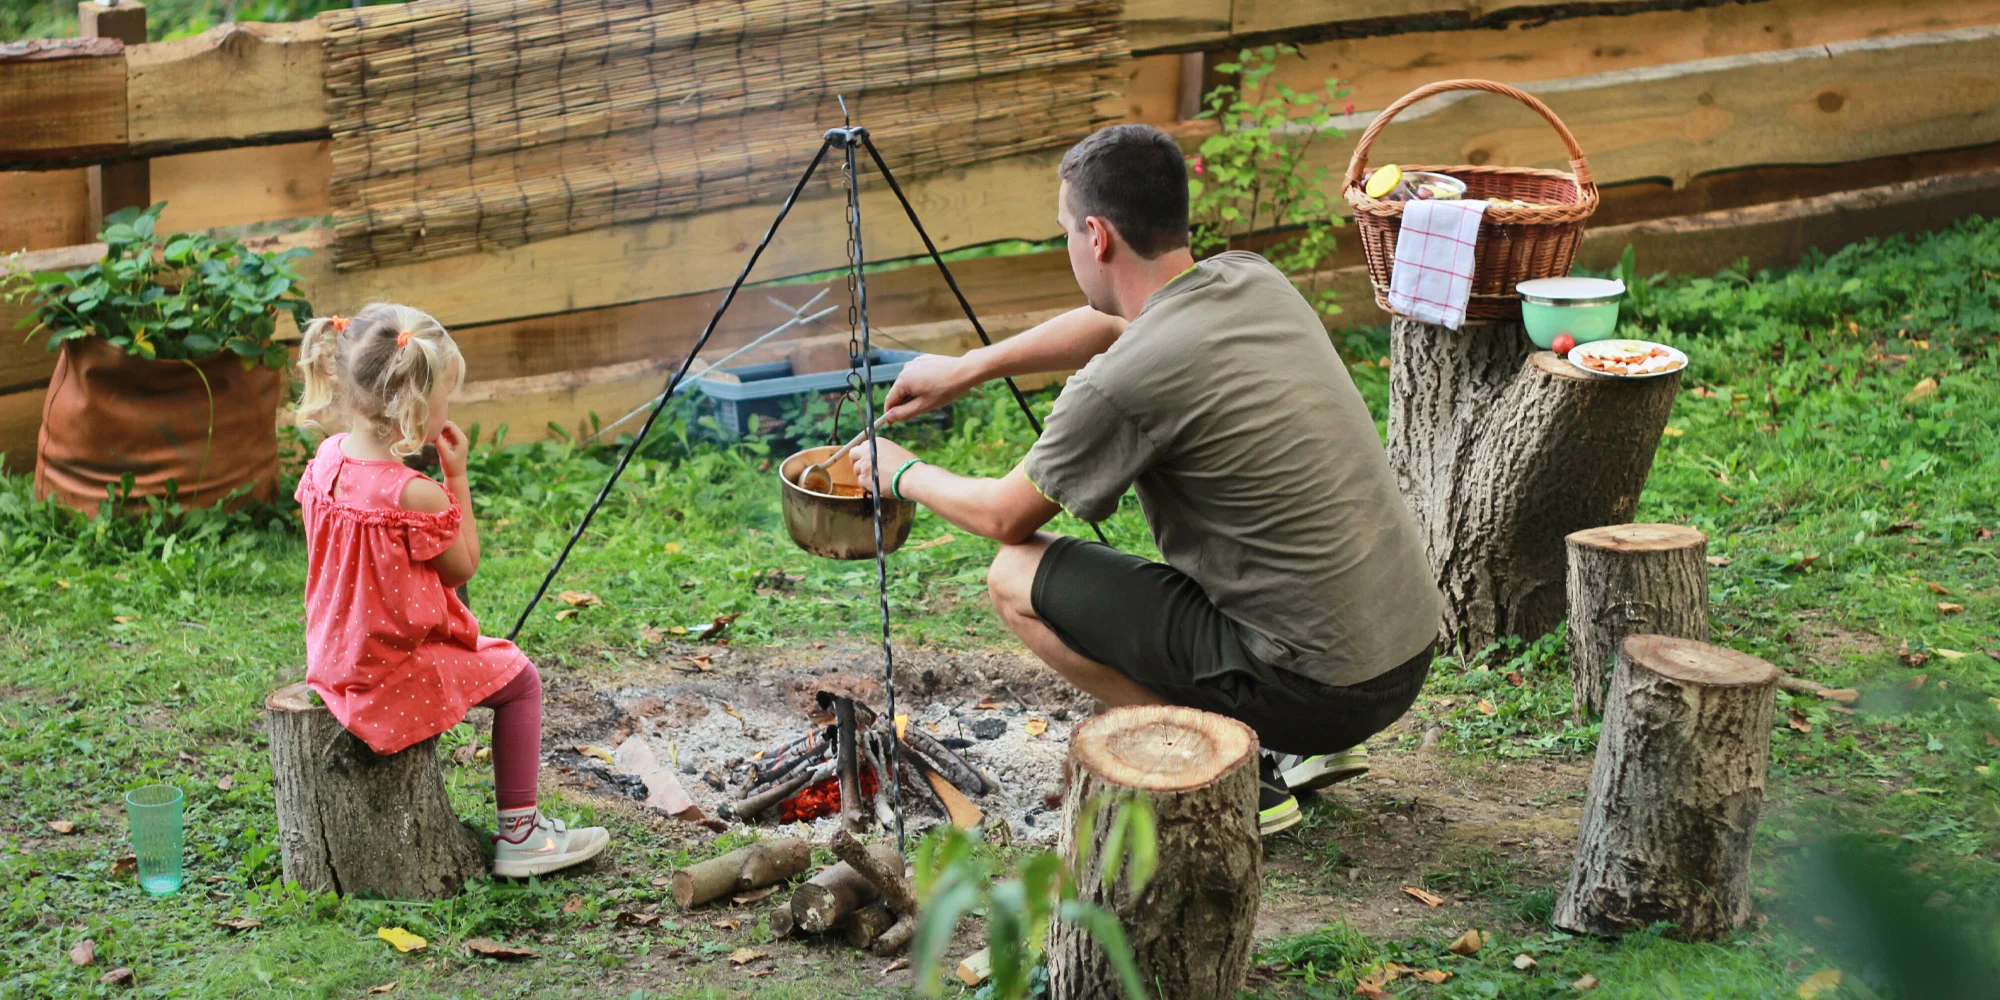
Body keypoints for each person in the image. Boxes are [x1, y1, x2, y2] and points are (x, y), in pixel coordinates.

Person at [852, 124, 1443, 836]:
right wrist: (968, 367)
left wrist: (903, 472)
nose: (1067, 245)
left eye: (1065, 232)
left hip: (1316, 687)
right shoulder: (1251, 279)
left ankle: (1227, 771)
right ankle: (1293, 745)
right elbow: (1114, 324)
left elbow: (1004, 516)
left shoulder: (1125, 381)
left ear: (1096, 236)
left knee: (1013, 577)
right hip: (1402, 657)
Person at [294, 302, 609, 877]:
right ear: (415, 405)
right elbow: (463, 567)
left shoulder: (326, 460)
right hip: (389, 672)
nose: (449, 408)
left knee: (494, 661)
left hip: (336, 656)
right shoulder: (414, 493)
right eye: (446, 396)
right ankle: (522, 835)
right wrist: (456, 477)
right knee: (521, 680)